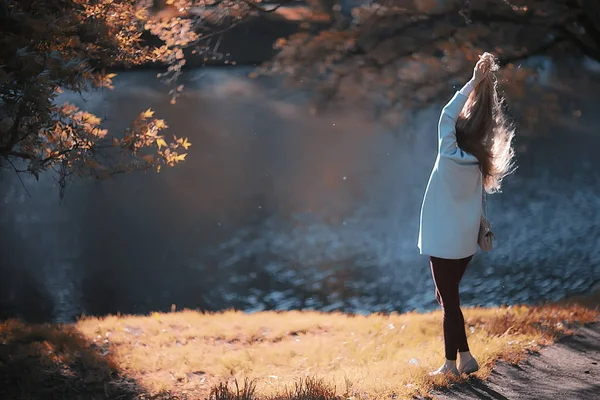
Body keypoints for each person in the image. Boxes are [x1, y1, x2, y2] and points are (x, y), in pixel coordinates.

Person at [417, 53, 516, 377]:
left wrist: (474, 81)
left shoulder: (448, 155)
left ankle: (450, 365)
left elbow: (446, 114)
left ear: (457, 133)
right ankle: (465, 357)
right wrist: (484, 89)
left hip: (442, 242)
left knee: (450, 304)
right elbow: (474, 124)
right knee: (447, 297)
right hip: (464, 245)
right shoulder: (479, 163)